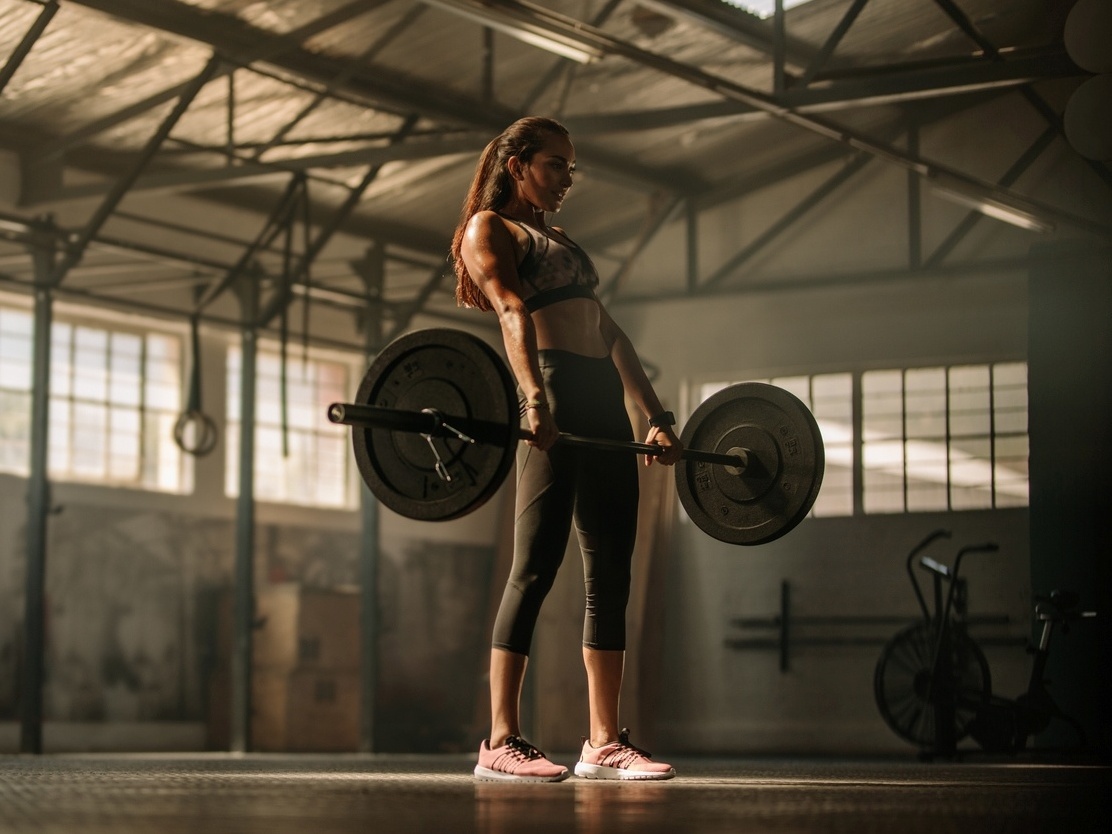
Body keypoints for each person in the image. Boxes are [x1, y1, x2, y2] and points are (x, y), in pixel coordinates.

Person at [451, 116, 682, 782]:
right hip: (550, 387)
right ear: (517, 164)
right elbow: (512, 312)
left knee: (611, 571)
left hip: (602, 399)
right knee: (536, 566)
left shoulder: (563, 240)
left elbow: (609, 330)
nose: (566, 180)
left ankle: (603, 742)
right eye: (555, 166)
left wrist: (657, 416)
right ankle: (499, 741)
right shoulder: (488, 229)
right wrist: (532, 399)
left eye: (572, 170)